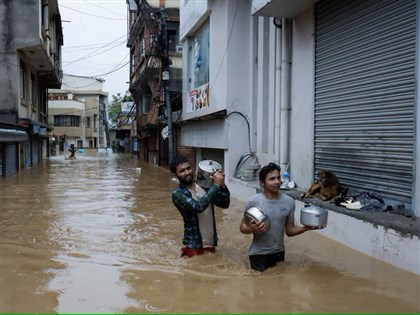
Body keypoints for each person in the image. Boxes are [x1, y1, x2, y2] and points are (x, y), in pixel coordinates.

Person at [239, 162, 324, 271]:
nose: (277, 182)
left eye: (278, 178)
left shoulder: (289, 202)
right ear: (262, 182)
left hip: (279, 252)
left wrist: (306, 228)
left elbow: (289, 231)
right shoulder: (253, 201)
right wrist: (252, 228)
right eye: (272, 179)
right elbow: (242, 227)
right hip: (258, 254)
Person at [170, 155, 230, 258]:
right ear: (176, 174)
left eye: (188, 168)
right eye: (182, 171)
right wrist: (215, 186)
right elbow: (198, 206)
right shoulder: (177, 194)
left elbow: (224, 204)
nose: (187, 172)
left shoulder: (205, 186)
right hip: (194, 245)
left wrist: (222, 185)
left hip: (211, 243)